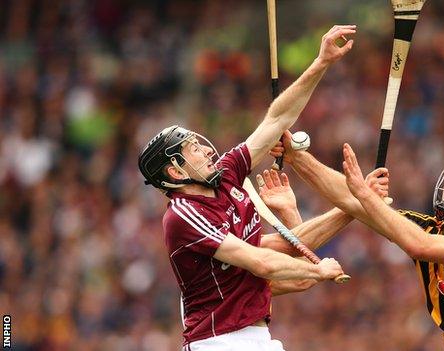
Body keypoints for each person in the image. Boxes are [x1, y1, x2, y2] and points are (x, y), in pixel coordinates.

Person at [137, 25, 361, 351]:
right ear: (175, 171)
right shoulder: (184, 214)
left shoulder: (227, 174)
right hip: (218, 344)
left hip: (259, 340)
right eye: (193, 150)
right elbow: (264, 264)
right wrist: (320, 270)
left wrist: (321, 62)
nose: (205, 150)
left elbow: (276, 121)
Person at [272, 132, 444, 350]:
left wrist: (365, 197)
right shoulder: (428, 228)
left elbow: (419, 246)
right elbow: (348, 199)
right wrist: (297, 157)